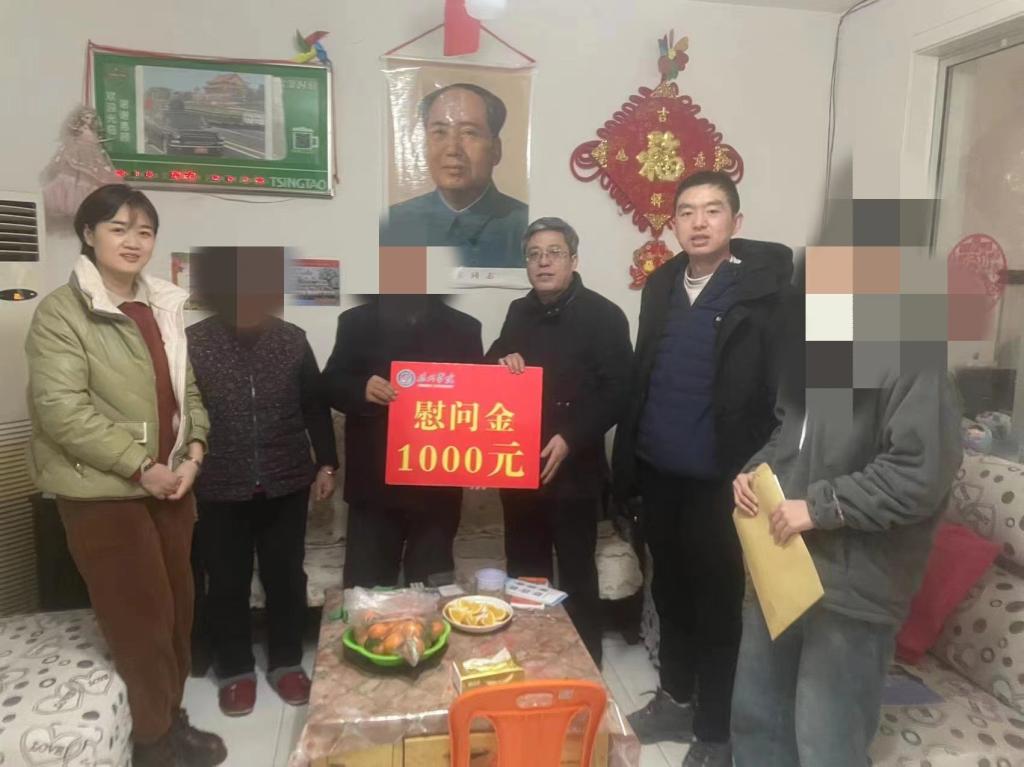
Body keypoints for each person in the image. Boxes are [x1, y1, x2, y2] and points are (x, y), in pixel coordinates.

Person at [25, 184, 225, 767]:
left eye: (144, 231)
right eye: (118, 228)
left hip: (172, 487)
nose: (133, 241)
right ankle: (153, 744)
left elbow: (188, 392)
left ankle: (170, 719)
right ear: (89, 235)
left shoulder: (162, 304)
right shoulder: (62, 312)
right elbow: (62, 410)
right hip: (104, 494)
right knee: (140, 622)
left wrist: (194, 453)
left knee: (178, 613)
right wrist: (142, 468)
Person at [729, 276, 963, 767]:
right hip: (783, 570)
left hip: (853, 590)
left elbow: (918, 476)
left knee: (826, 742)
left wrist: (819, 507)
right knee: (758, 723)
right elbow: (786, 439)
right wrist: (754, 471)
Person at [612, 171, 792, 766]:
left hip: (725, 480)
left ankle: (715, 731)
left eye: (713, 210)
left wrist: (762, 465)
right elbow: (645, 374)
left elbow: (781, 393)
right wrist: (628, 468)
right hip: (660, 472)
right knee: (670, 593)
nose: (698, 222)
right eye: (687, 211)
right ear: (673, 224)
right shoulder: (662, 284)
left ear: (736, 222)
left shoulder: (764, 293)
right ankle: (674, 698)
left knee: (717, 604)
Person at [186, 248, 339, 718]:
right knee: (226, 581)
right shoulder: (194, 342)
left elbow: (314, 405)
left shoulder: (291, 339)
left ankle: (286, 662)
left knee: (286, 577)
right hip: (219, 482)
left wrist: (326, 464)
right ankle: (235, 669)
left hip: (285, 479)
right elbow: (183, 408)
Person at [487, 217, 632, 665]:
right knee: (524, 570)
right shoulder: (519, 311)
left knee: (575, 572)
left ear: (573, 259)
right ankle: (529, 658)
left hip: (575, 470)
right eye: (534, 255)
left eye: (553, 253)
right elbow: (492, 361)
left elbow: (620, 392)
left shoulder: (604, 315)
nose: (543, 262)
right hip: (520, 466)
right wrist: (501, 359)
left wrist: (570, 437)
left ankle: (584, 666)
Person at [323, 295, 483, 587]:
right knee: (366, 592)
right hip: (374, 483)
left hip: (437, 487)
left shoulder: (465, 327)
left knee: (433, 591)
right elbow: (330, 384)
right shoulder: (356, 322)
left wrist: (479, 461)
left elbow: (479, 399)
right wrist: (360, 388)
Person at [380, 83, 528, 268]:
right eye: (439, 132)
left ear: (496, 149)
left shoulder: (527, 227)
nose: (452, 149)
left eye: (469, 133)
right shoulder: (395, 223)